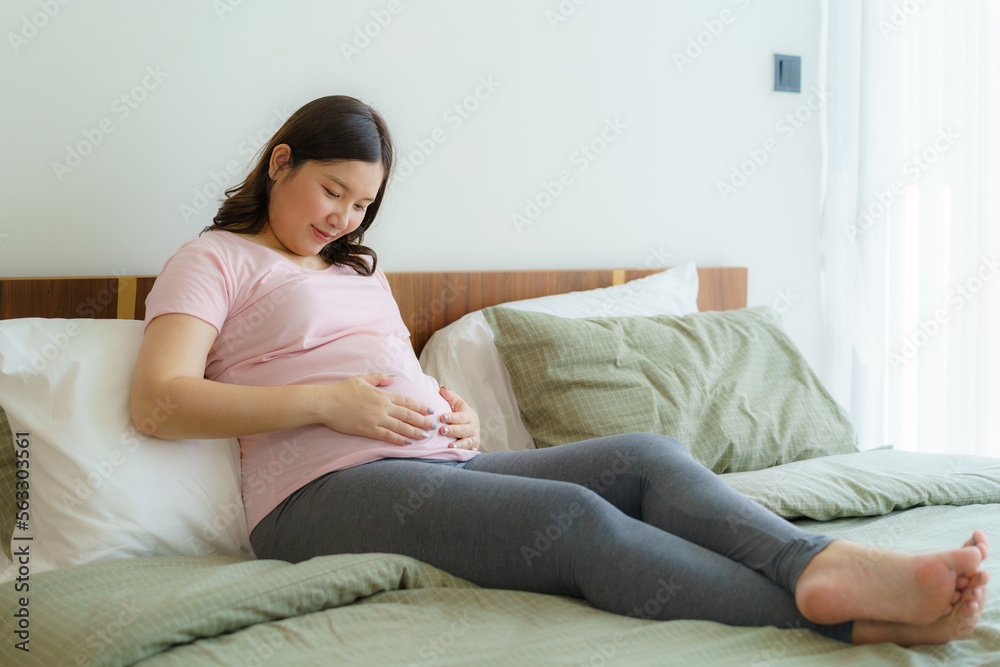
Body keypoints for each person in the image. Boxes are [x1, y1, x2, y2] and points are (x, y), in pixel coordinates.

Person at [130, 95, 989, 647]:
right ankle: (833, 614)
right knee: (573, 515)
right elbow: (160, 403)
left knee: (647, 458)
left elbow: (387, 368)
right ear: (280, 161)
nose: (343, 217)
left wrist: (446, 407)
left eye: (361, 204)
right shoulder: (213, 259)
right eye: (331, 192)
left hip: (432, 461)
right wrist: (328, 401)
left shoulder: (358, 268)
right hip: (312, 496)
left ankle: (816, 561)